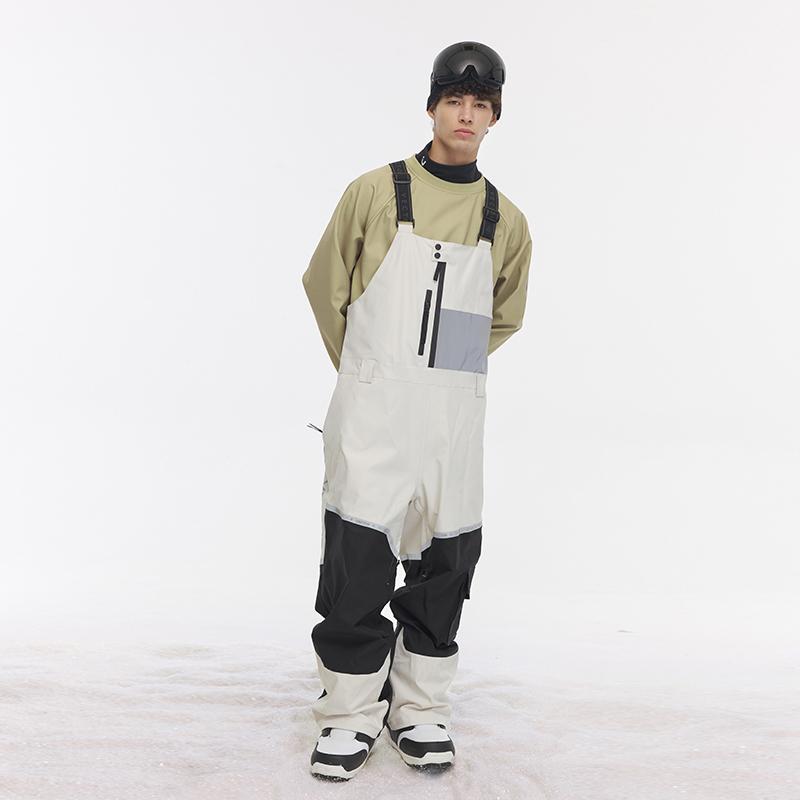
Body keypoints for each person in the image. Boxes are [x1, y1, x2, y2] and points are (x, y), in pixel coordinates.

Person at [301, 40, 533, 781]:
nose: (466, 115)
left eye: (480, 105)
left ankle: (419, 709)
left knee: (447, 563)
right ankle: (348, 712)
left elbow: (502, 316)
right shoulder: (375, 192)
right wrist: (370, 374)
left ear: (494, 117)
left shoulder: (505, 219)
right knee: (358, 559)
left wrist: (440, 375)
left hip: (452, 419)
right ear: (432, 106)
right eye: (454, 101)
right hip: (373, 410)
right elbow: (325, 285)